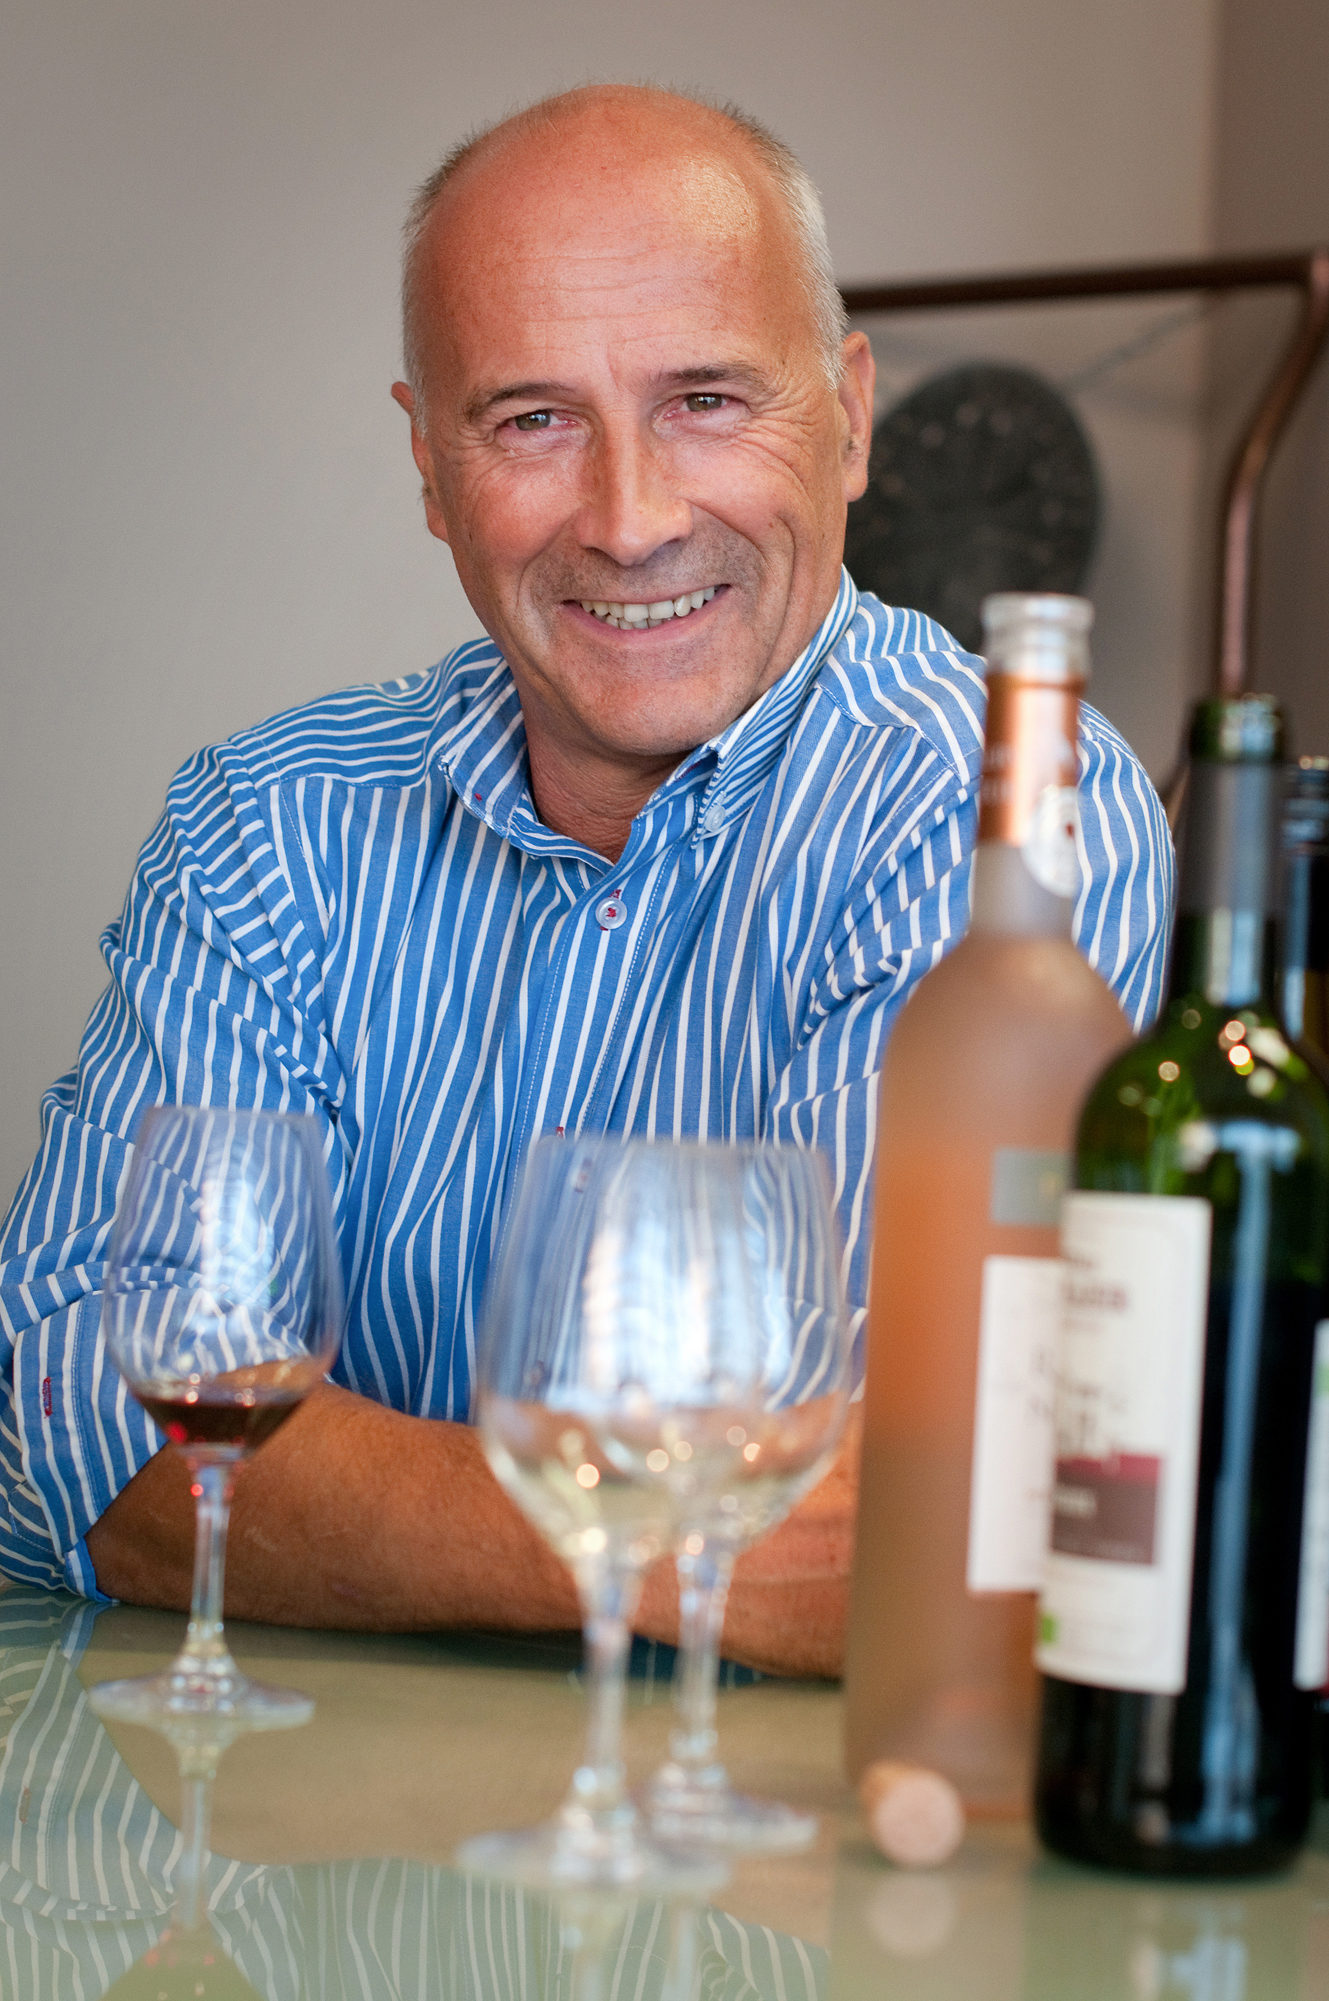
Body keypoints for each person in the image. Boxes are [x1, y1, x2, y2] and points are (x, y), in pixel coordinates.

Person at [0, 86, 1171, 1675]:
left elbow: (879, 1519)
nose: (630, 519)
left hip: (766, 1838)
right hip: (292, 1824)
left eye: (705, 399)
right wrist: (642, 1537)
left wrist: (356, 1504)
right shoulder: (266, 825)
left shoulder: (999, 817)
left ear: (849, 419)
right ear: (430, 467)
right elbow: (63, 1416)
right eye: (532, 421)